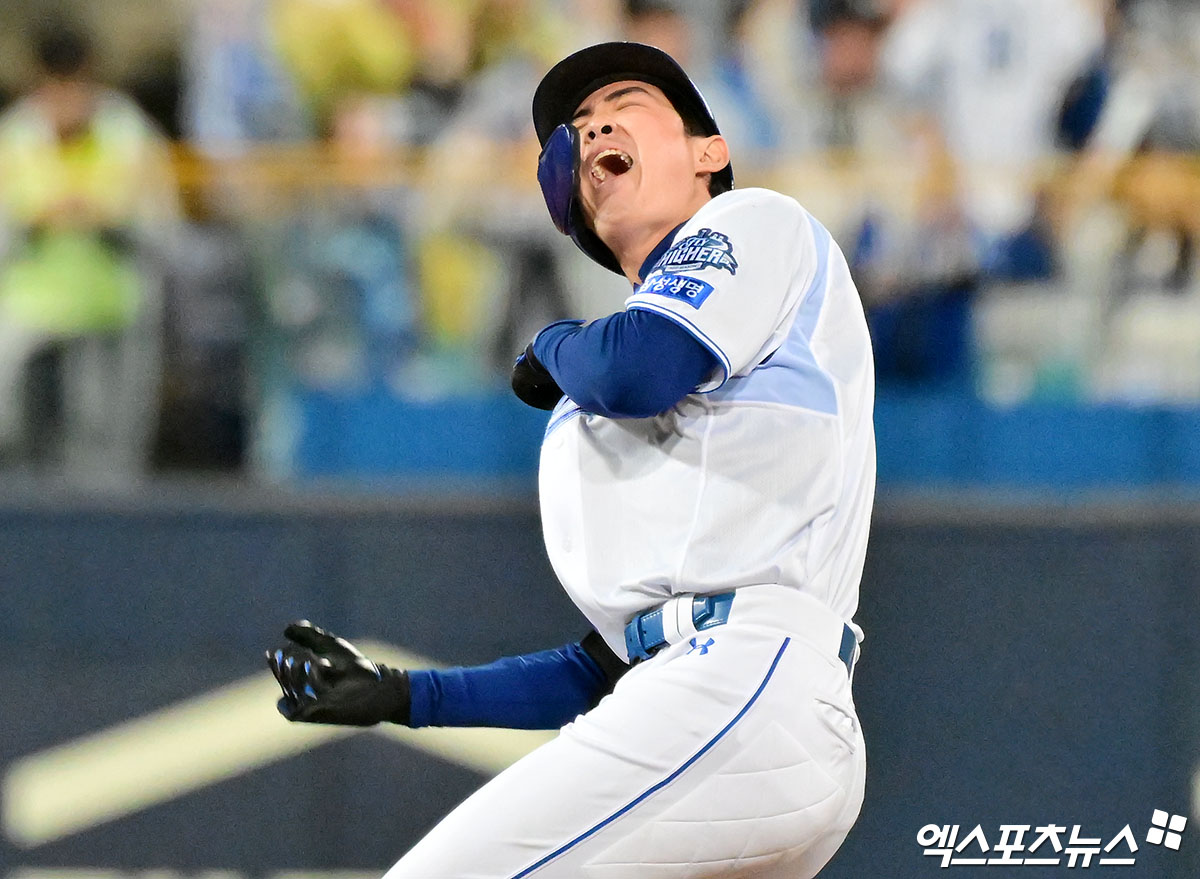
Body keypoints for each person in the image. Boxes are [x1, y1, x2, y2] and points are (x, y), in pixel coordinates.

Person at [268, 41, 875, 879]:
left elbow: (637, 369)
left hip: (748, 681)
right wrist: (406, 694)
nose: (596, 130)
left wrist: (552, 341)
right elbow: (607, 665)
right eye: (579, 127)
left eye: (627, 106)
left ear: (709, 151)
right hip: (728, 713)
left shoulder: (752, 222)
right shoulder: (594, 386)